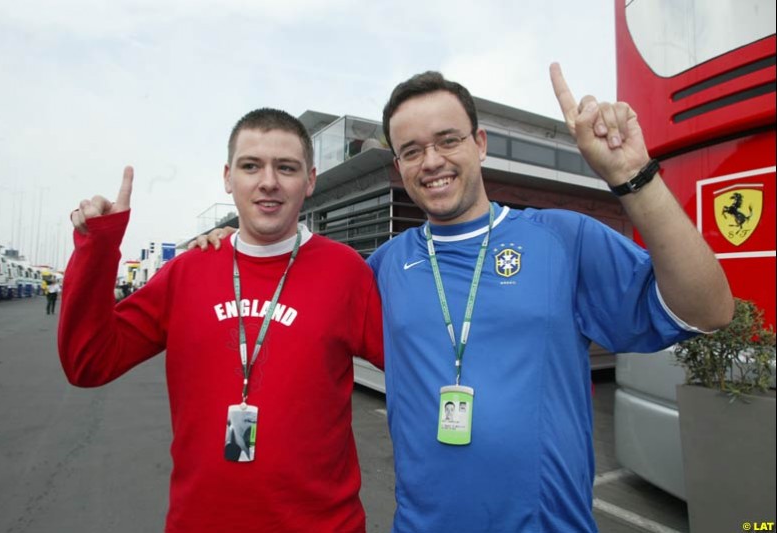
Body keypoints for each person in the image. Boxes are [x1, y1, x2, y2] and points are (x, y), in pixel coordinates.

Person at [194, 64, 733, 532]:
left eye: (447, 140)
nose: (431, 161)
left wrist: (632, 176)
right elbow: (285, 300)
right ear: (399, 166)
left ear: (479, 144)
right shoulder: (379, 270)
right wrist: (225, 248)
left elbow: (709, 310)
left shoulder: (563, 239)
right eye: (411, 150)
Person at [58, 108, 384, 532]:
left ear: (310, 180)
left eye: (286, 167)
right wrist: (98, 246)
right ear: (228, 177)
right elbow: (88, 363)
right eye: (252, 166)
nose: (268, 181)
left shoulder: (346, 272)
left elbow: (415, 369)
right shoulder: (188, 270)